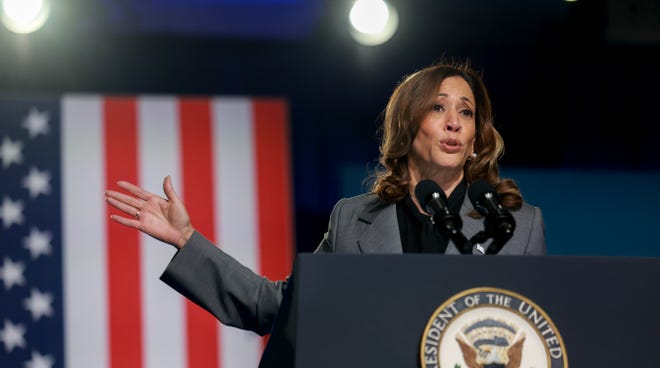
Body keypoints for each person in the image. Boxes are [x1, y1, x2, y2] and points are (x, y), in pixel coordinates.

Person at [104, 61, 546, 336]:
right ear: (407, 128)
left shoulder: (517, 224)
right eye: (437, 108)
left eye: (465, 112)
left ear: (474, 139)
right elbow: (277, 309)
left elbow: (538, 337)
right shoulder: (353, 220)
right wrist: (188, 240)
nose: (453, 122)